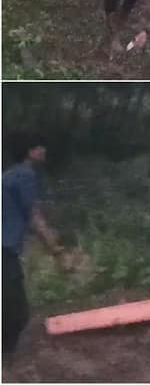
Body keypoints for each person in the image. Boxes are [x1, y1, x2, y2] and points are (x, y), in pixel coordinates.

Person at [2, 135, 71, 359]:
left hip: (6, 248)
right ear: (31, 152)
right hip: (4, 250)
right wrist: (57, 251)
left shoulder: (9, 175)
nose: (44, 150)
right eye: (40, 147)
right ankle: (7, 359)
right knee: (17, 312)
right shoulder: (25, 175)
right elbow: (35, 219)